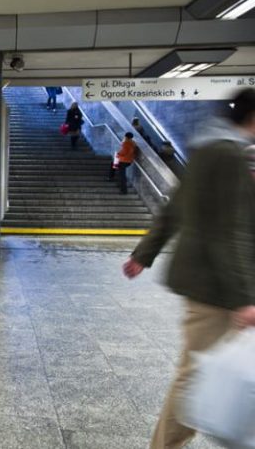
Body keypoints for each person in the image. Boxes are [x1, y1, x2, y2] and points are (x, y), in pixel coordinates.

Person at [122, 88, 255, 449]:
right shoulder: (226, 154)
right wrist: (244, 297)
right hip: (216, 287)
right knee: (194, 376)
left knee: (196, 372)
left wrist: (143, 254)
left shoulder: (217, 148)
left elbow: (176, 206)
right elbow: (228, 231)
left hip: (213, 282)